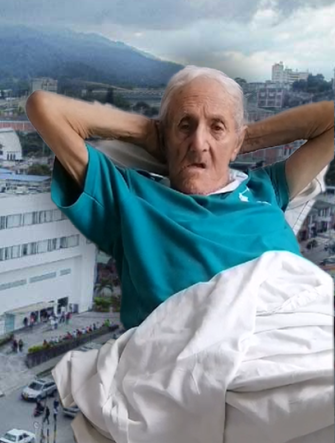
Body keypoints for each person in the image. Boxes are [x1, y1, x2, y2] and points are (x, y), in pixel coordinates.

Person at [26, 67, 333, 331]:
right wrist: (147, 133)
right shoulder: (128, 200)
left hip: (302, 334)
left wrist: (244, 139)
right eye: (185, 126)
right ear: (165, 136)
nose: (198, 143)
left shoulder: (264, 190)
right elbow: (44, 107)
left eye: (216, 127)